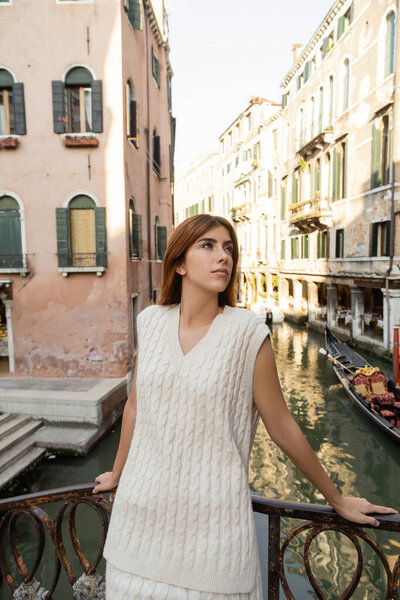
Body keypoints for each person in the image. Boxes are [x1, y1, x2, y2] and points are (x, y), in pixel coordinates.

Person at [93, 214, 398, 600]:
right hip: (136, 528)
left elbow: (282, 426)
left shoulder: (247, 333)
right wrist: (118, 472)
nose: (223, 257)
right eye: (208, 246)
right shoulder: (150, 322)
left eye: (228, 249)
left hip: (213, 538)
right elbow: (136, 406)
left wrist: (335, 499)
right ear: (180, 263)